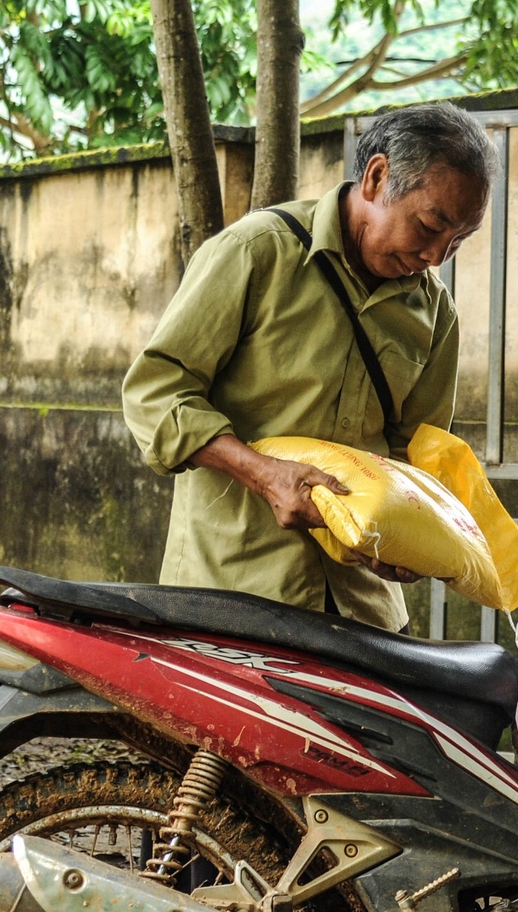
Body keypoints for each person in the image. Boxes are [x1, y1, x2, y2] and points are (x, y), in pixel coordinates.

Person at [121, 101, 495, 632]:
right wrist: (263, 473)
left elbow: (415, 456)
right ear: (377, 177)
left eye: (458, 240)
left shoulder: (434, 313)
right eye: (431, 226)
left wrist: (410, 534)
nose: (437, 256)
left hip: (366, 611)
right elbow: (155, 395)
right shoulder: (256, 253)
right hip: (233, 594)